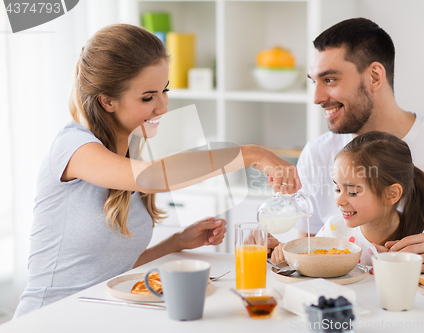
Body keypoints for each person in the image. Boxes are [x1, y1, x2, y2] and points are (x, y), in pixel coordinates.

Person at [14, 24, 300, 318]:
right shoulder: (73, 147)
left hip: (98, 314)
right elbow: (151, 177)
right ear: (107, 101)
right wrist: (251, 153)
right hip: (48, 318)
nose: (163, 107)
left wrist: (177, 243)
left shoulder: (130, 153)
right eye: (148, 97)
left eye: (165, 90)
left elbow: (113, 270)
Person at [292, 17, 424, 272]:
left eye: (330, 80)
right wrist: (276, 251)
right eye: (314, 81)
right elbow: (304, 258)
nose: (316, 98)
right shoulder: (316, 154)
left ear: (375, 76)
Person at [271, 131, 424, 268]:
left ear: (391, 195)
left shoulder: (422, 242)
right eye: (337, 188)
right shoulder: (333, 231)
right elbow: (307, 265)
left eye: (352, 192)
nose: (339, 201)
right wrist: (283, 254)